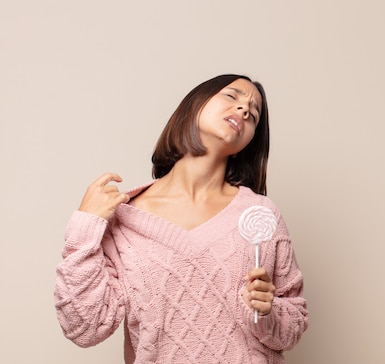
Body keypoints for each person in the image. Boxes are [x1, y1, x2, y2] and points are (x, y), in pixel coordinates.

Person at [54, 74, 309, 363]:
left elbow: (294, 324)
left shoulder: (261, 215)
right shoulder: (123, 222)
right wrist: (84, 226)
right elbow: (84, 328)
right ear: (194, 105)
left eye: (254, 113)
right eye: (232, 96)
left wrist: (267, 312)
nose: (245, 110)